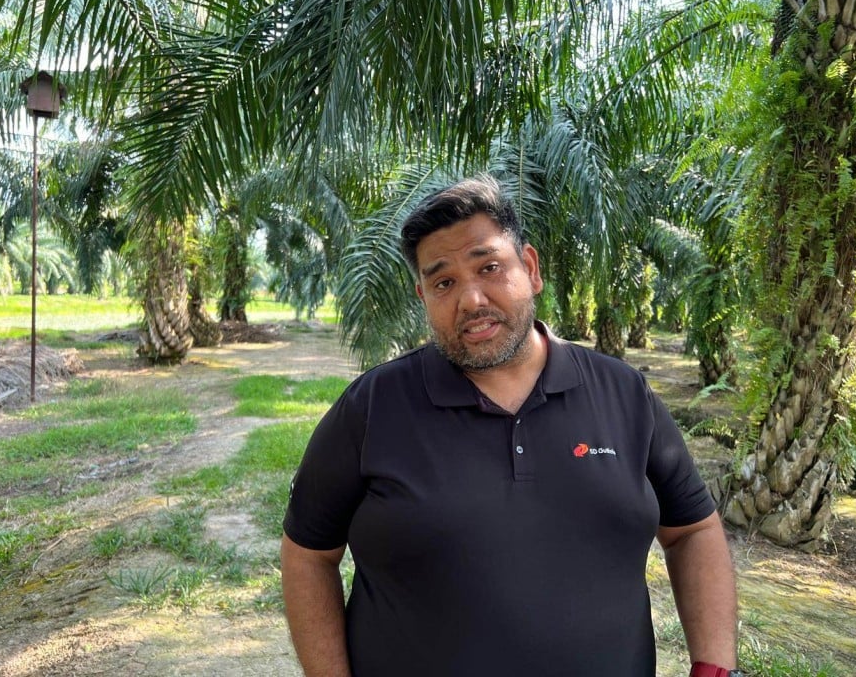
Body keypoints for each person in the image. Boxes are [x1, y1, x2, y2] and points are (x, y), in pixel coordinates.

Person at [281, 175, 742, 677]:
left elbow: (693, 530)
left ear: (531, 267)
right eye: (444, 282)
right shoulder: (372, 408)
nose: (471, 300)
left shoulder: (624, 395)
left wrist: (714, 668)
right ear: (423, 297)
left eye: (489, 267)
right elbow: (308, 555)